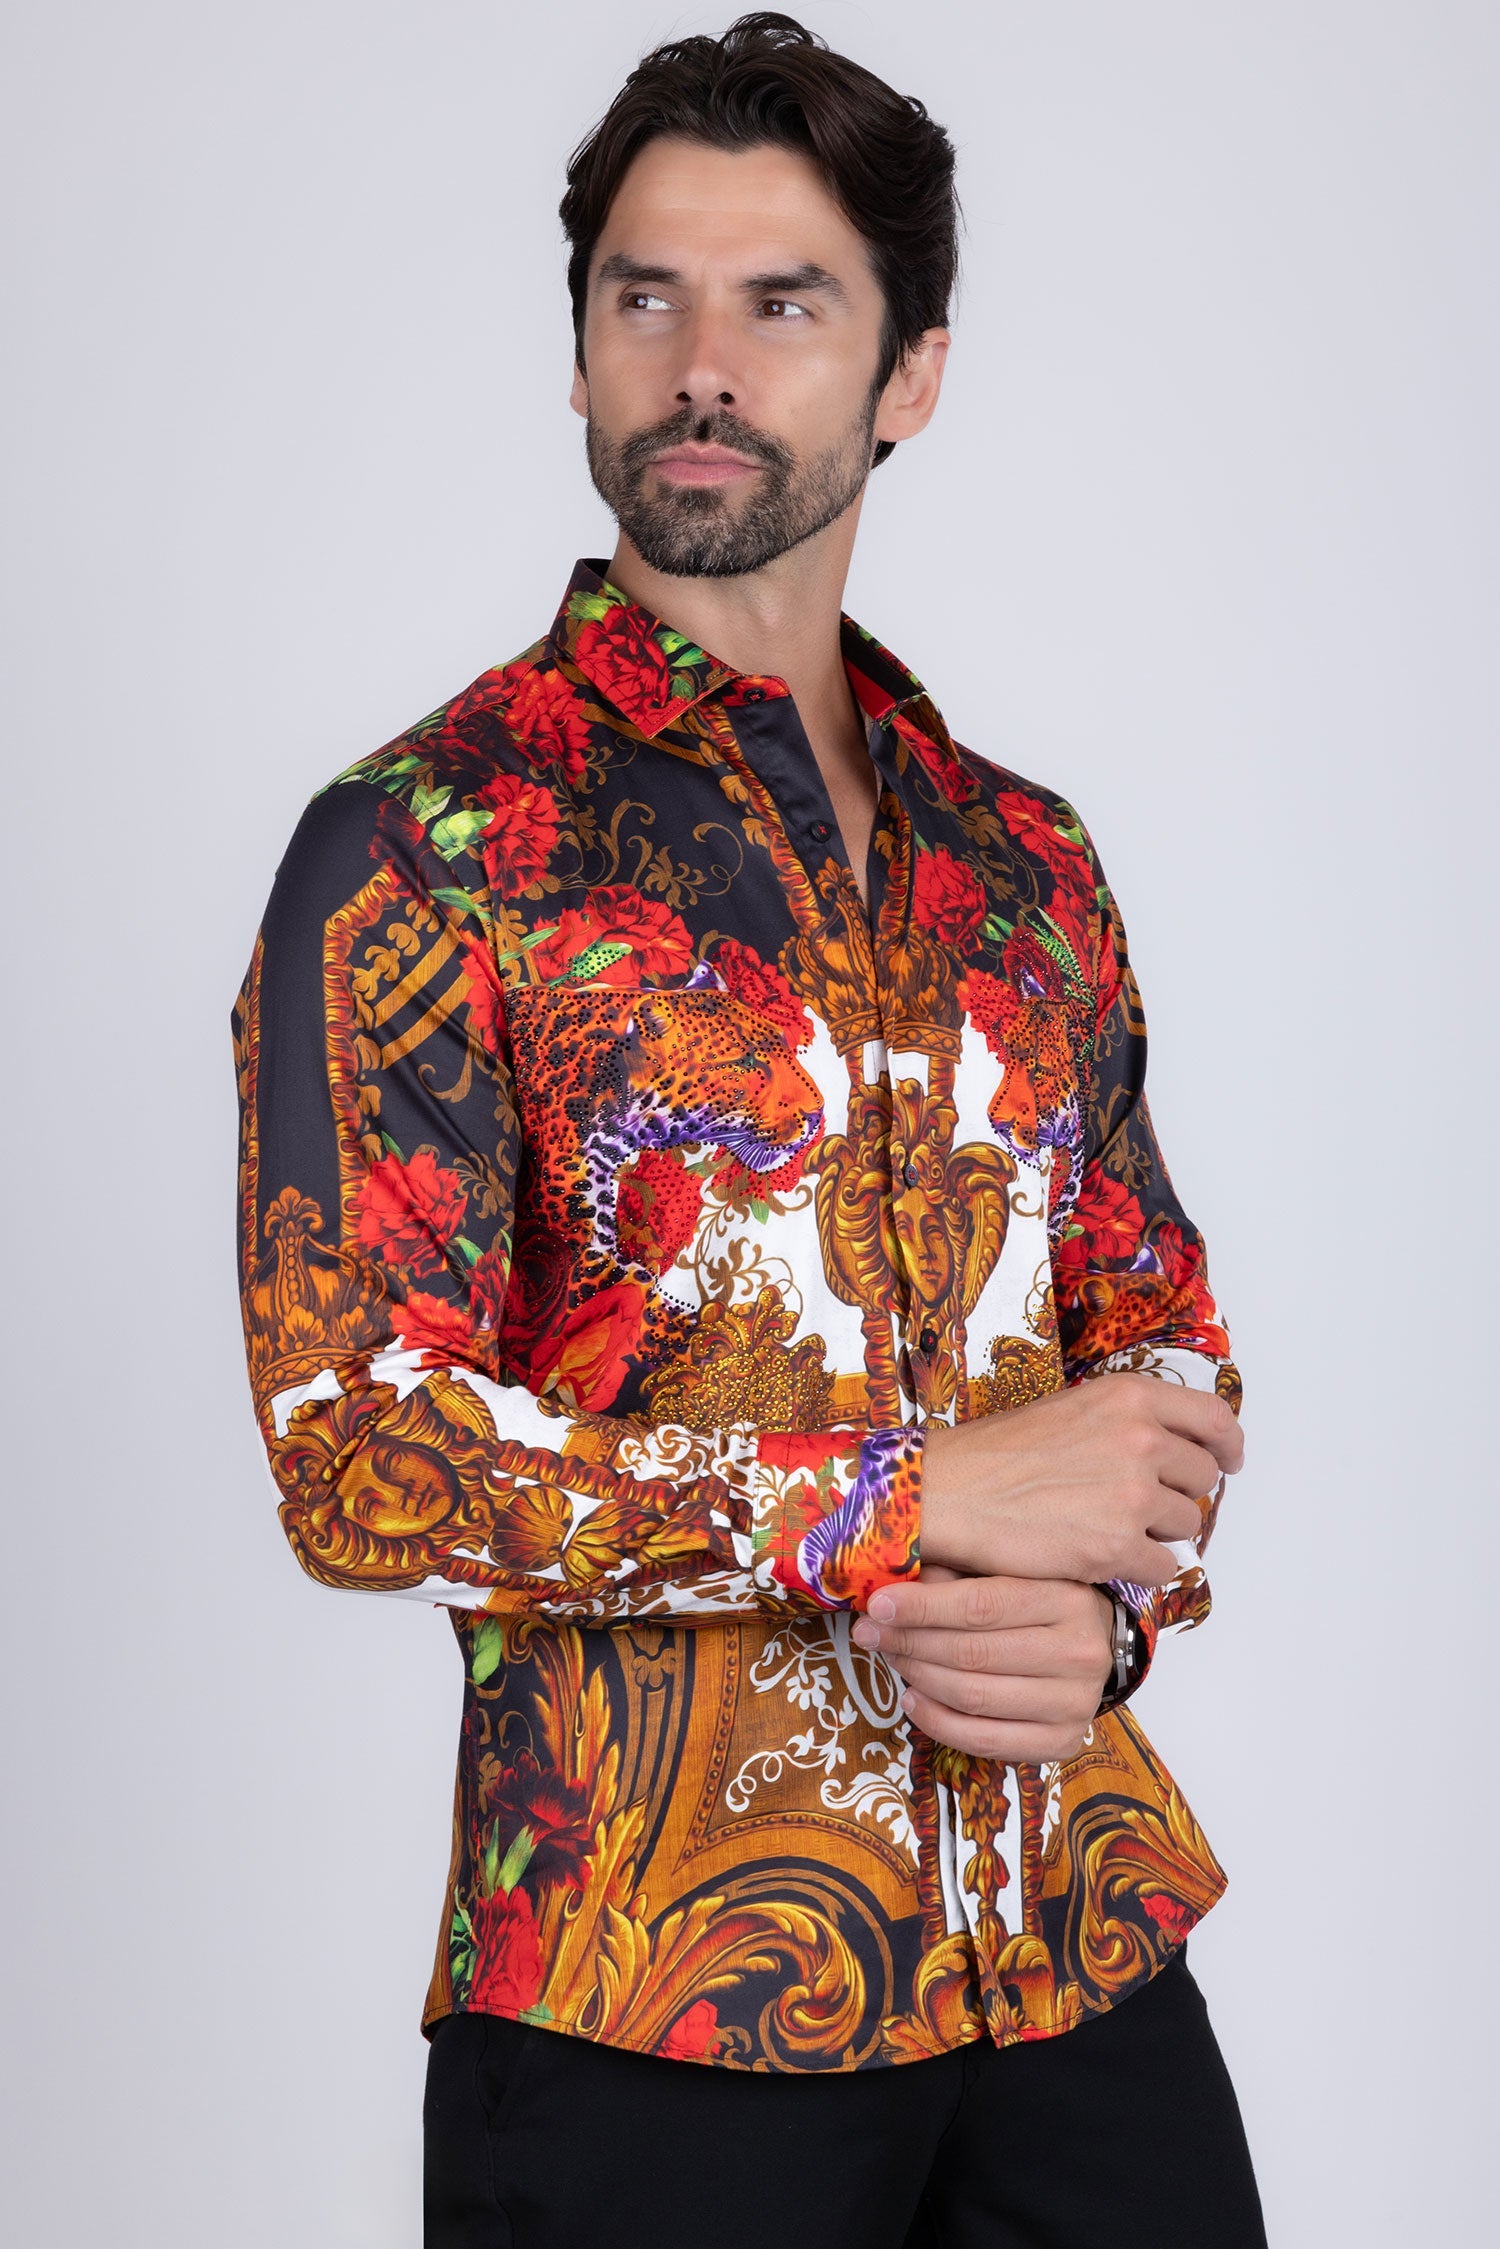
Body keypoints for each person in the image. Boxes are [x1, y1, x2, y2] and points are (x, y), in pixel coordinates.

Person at [233, 13, 1265, 2244]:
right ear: (581, 349)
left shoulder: (1029, 863)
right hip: (650, 2001)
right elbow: (358, 1454)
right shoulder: (423, 844)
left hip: (1077, 1950)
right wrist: (909, 1502)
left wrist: (1108, 1627)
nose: (699, 366)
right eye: (646, 297)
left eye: (782, 303)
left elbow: (1165, 1347)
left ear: (911, 374)